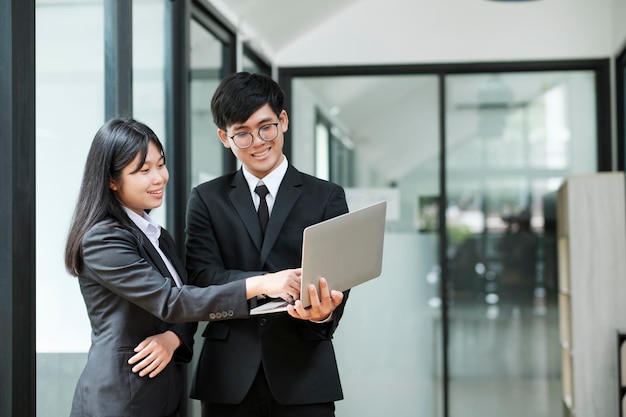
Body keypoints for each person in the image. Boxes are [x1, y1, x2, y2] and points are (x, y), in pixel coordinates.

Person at [64, 117, 302, 417]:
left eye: (160, 165)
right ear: (112, 180)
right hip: (120, 399)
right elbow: (171, 301)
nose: (159, 177)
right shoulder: (103, 239)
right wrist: (262, 283)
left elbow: (188, 297)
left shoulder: (157, 236)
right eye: (143, 170)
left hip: (162, 393)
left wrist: (173, 337)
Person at [185, 72, 349, 417]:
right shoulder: (206, 199)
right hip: (228, 377)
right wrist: (262, 282)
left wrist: (324, 314)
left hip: (304, 373)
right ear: (224, 138)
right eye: (242, 133)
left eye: (266, 127)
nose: (258, 142)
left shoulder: (326, 196)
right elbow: (200, 275)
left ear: (283, 121)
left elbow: (337, 277)